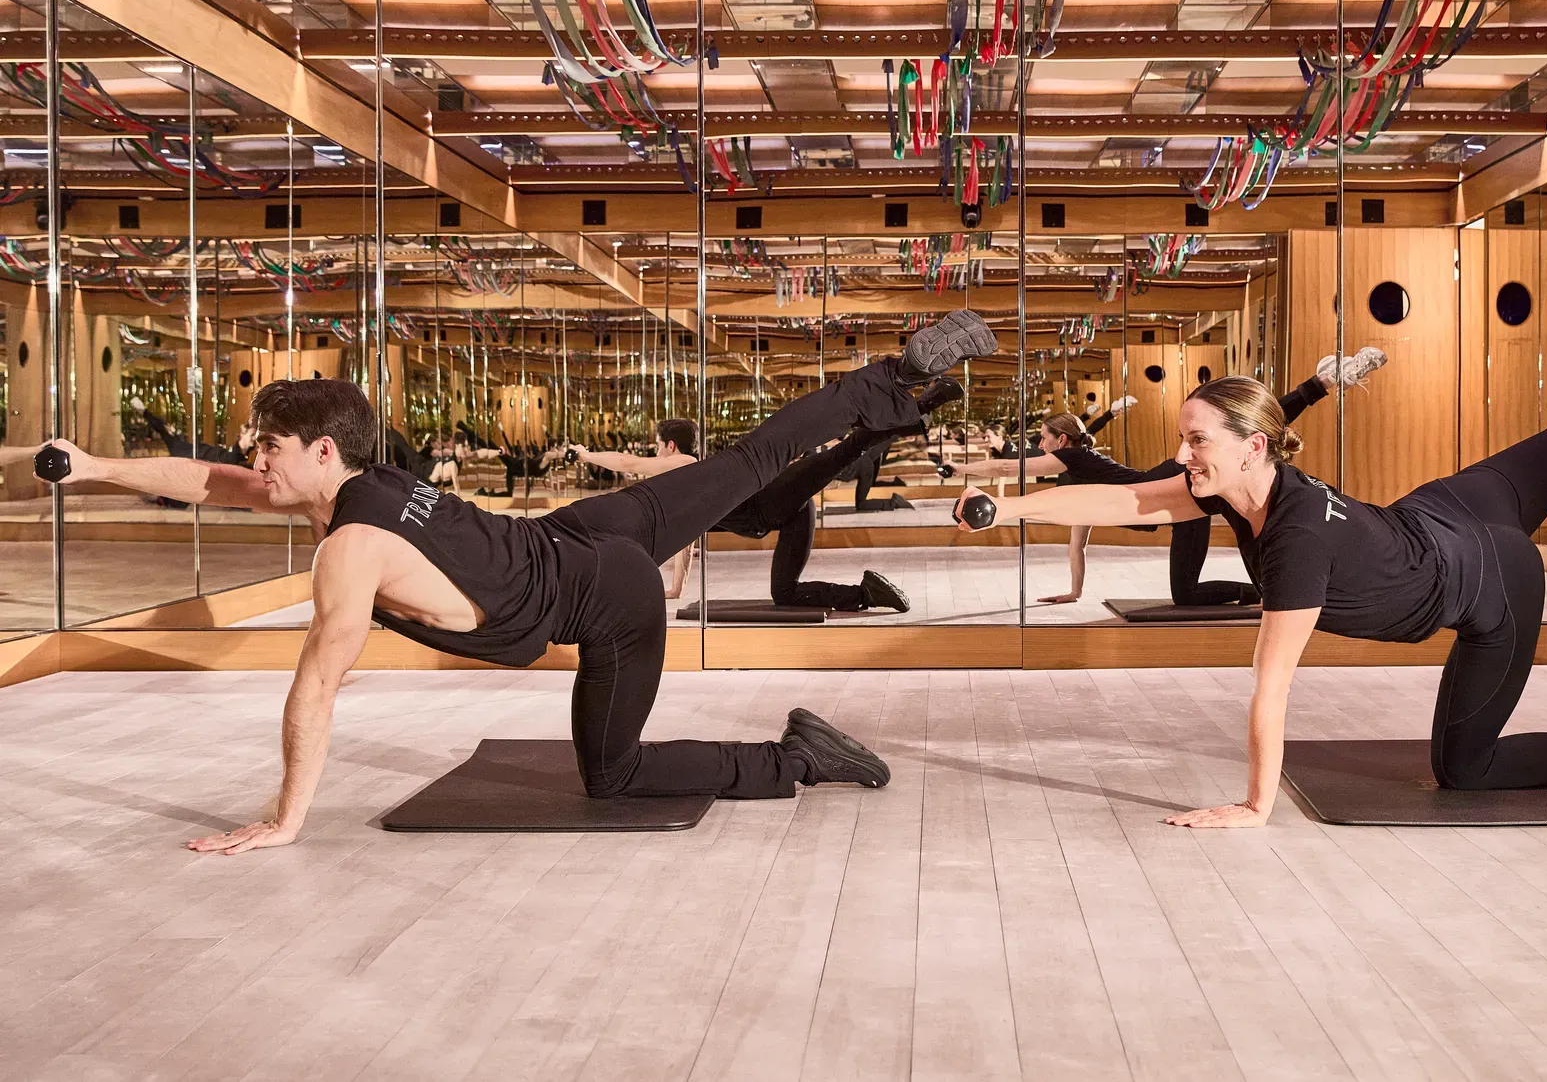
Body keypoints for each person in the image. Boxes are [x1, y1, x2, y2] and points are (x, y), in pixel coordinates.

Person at [41, 309, 997, 854]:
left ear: (319, 450)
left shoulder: (346, 548)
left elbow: (317, 684)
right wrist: (92, 466)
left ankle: (799, 758)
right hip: (583, 531)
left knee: (613, 778)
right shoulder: (362, 480)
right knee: (747, 478)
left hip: (603, 591)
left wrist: (285, 819)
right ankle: (889, 385)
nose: (257, 462)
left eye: (271, 447)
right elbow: (212, 482)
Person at [954, 265, 1547, 825]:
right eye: (1184, 440)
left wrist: (1254, 807)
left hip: (1491, 578)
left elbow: (1270, 689)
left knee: (1466, 770)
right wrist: (1008, 501)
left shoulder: (1295, 539)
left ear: (1254, 447)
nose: (1182, 457)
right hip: (1449, 509)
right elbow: (1126, 494)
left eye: (1197, 441)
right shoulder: (1234, 488)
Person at [945, 354, 1381, 605]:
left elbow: (1006, 468)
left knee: (1239, 426)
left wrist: (959, 471)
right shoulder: (1078, 477)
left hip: (1162, 486)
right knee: (1186, 594)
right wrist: (1074, 592)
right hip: (1169, 505)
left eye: (1042, 438)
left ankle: (1322, 382)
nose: (1038, 446)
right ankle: (1265, 590)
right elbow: (1080, 531)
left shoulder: (1069, 457)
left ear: (1060, 439)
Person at [574, 379, 961, 613]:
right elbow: (686, 542)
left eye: (657, 447)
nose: (654, 454)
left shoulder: (685, 463)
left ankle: (926, 401)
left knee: (845, 451)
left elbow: (627, 462)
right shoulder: (689, 492)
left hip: (773, 502)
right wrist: (676, 589)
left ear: (670, 447)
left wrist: (588, 454)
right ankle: (867, 593)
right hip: (787, 514)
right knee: (785, 593)